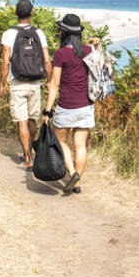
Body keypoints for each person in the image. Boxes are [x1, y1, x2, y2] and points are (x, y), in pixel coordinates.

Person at [42, 13, 100, 194]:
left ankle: (73, 173)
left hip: (66, 106)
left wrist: (47, 110)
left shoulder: (61, 54)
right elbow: (100, 66)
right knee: (80, 145)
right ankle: (76, 184)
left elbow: (55, 84)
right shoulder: (89, 51)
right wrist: (97, 45)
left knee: (61, 142)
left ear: (63, 33)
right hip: (86, 105)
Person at [0, 0, 52, 170]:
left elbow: (6, 61)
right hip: (35, 82)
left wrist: (1, 84)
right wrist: (49, 81)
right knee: (32, 120)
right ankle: (30, 153)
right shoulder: (39, 33)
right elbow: (46, 60)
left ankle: (28, 159)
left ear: (15, 13)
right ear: (31, 13)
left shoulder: (8, 34)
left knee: (21, 121)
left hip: (17, 82)